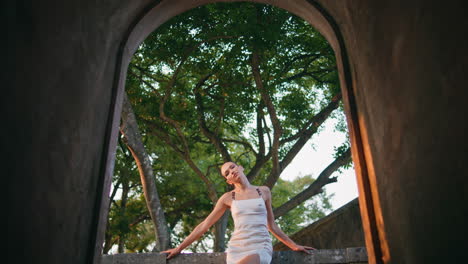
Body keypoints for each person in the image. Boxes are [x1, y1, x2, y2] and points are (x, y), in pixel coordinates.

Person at [163, 161, 316, 264]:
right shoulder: (227, 198)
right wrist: (179, 248)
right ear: (228, 181)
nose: (231, 172)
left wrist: (294, 245)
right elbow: (205, 225)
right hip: (237, 247)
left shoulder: (264, 191)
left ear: (240, 167)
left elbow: (271, 225)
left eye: (232, 167)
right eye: (227, 173)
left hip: (260, 244)